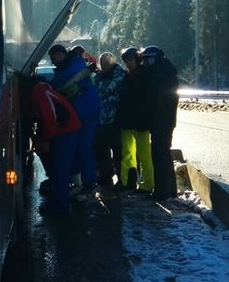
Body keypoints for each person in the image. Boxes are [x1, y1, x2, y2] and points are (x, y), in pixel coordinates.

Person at [21, 75, 82, 216]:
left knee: (60, 168)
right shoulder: (45, 91)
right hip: (66, 129)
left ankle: (60, 208)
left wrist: (46, 140)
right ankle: (59, 200)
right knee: (59, 167)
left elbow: (49, 118)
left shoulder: (39, 93)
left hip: (66, 131)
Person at [49, 43, 102, 198]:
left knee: (84, 148)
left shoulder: (75, 64)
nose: (53, 62)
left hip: (87, 113)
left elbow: (66, 79)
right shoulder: (73, 65)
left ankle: (89, 183)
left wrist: (50, 86)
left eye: (53, 58)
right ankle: (83, 181)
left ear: (60, 55)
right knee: (81, 148)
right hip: (82, 113)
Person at [139, 45, 180, 201]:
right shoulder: (166, 72)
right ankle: (170, 190)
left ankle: (161, 192)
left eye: (146, 60)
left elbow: (154, 100)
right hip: (166, 120)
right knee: (164, 154)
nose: (144, 64)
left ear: (153, 58)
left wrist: (144, 115)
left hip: (160, 121)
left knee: (159, 155)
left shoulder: (159, 76)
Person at [116, 47, 154, 194]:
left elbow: (147, 100)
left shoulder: (145, 76)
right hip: (127, 122)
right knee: (127, 155)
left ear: (137, 59)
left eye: (130, 61)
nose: (128, 64)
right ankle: (127, 182)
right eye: (126, 62)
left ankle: (148, 184)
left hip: (141, 123)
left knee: (144, 155)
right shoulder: (127, 77)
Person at [93, 51, 126, 191]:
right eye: (102, 63)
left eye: (106, 63)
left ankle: (122, 179)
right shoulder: (99, 78)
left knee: (119, 152)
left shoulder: (120, 76)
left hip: (115, 120)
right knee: (100, 150)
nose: (104, 66)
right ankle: (105, 175)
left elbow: (114, 94)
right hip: (101, 120)